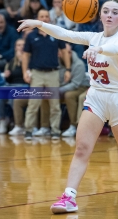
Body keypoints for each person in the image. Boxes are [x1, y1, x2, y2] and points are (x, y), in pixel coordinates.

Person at [17, 0, 118, 214]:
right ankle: (69, 197)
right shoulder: (92, 37)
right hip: (95, 97)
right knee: (82, 148)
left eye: (115, 12)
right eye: (106, 11)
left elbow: (114, 47)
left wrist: (99, 50)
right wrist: (39, 24)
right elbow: (65, 34)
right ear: (101, 16)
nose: (110, 15)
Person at [21, 9, 71, 140]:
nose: (44, 18)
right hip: (36, 74)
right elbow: (25, 55)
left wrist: (68, 69)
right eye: (41, 16)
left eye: (46, 16)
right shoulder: (31, 36)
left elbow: (65, 51)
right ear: (37, 18)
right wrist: (25, 72)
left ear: (50, 18)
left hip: (53, 73)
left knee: (55, 104)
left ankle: (55, 131)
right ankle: (28, 130)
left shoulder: (55, 34)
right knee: (33, 104)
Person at [0, 38, 27, 134]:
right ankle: (2, 120)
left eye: (23, 45)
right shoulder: (11, 62)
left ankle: (17, 123)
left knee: (12, 97)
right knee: (0, 96)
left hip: (25, 86)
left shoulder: (30, 60)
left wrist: (22, 61)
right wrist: (7, 75)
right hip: (11, 85)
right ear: (15, 48)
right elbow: (8, 80)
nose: (21, 47)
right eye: (18, 45)